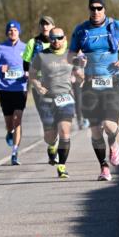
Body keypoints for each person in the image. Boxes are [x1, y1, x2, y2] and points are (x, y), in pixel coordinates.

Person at [68, 0, 119, 182]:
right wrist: (77, 60)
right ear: (89, 9)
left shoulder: (116, 26)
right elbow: (70, 55)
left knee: (108, 125)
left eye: (99, 8)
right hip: (90, 84)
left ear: (104, 8)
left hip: (111, 83)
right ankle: (104, 168)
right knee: (95, 130)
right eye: (93, 8)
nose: (96, 11)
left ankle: (114, 145)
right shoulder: (81, 30)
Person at [29, 26, 76, 179]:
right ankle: (52, 145)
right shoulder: (41, 55)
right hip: (47, 100)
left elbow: (80, 71)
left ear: (64, 38)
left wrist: (81, 77)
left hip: (65, 98)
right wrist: (37, 86)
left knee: (65, 132)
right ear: (49, 39)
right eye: (53, 38)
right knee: (49, 136)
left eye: (59, 38)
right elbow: (32, 74)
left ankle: (62, 166)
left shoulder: (71, 54)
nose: (56, 41)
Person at [0, 20, 27, 165]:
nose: (12, 32)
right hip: (4, 89)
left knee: (17, 120)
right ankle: (9, 132)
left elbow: (34, 64)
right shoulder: (0, 47)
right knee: (10, 123)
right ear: (7, 32)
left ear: (19, 32)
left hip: (20, 88)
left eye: (15, 30)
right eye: (10, 30)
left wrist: (29, 73)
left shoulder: (26, 48)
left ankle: (15, 153)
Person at [23, 14, 60, 163]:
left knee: (60, 117)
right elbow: (26, 62)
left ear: (53, 26)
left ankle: (57, 143)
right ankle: (52, 145)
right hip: (39, 85)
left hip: (57, 84)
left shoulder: (59, 41)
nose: (45, 27)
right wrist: (28, 74)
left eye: (48, 24)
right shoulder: (33, 42)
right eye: (42, 24)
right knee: (47, 121)